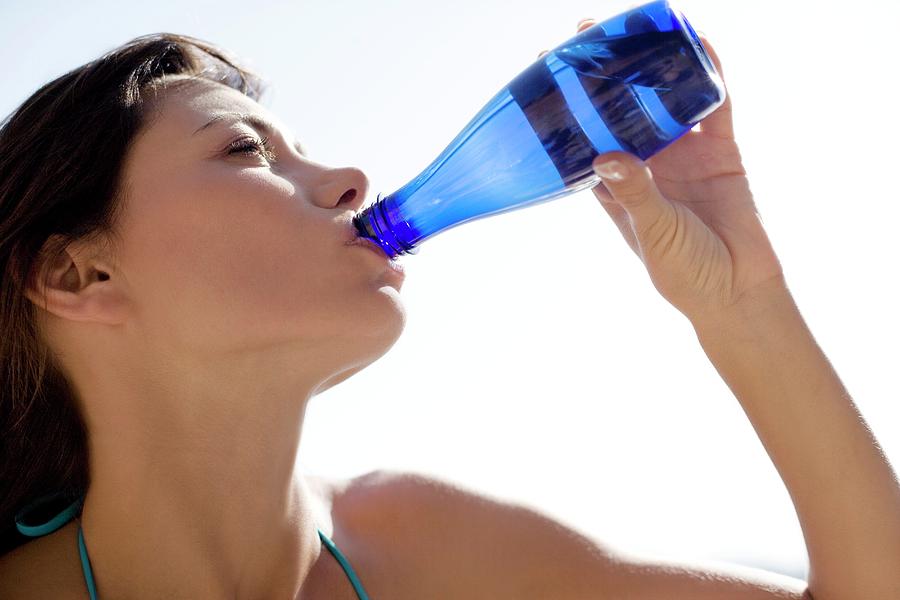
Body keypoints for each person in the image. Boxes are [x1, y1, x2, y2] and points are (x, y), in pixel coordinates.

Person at [0, 18, 896, 600]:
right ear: (80, 278)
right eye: (245, 150)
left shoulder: (429, 549)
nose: (350, 178)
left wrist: (742, 303)